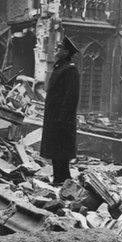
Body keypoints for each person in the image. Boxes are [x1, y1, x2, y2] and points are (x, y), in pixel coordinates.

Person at [40, 35, 80, 185]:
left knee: (61, 150)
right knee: (56, 150)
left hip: (62, 118)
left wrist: (62, 118)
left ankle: (62, 179)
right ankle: (60, 178)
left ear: (66, 52)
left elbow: (71, 97)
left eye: (59, 48)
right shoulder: (59, 67)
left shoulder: (70, 70)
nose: (56, 50)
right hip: (54, 117)